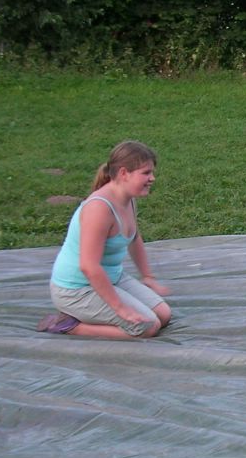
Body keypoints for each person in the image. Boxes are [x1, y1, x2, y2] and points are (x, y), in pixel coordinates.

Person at [37, 140, 172, 339]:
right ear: (124, 173)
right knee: (148, 327)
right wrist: (120, 309)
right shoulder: (99, 209)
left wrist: (147, 276)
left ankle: (103, 311)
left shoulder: (128, 199)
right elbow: (88, 266)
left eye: (152, 172)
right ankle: (69, 325)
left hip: (112, 278)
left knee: (164, 315)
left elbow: (134, 238)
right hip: (76, 290)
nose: (152, 178)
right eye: (146, 173)